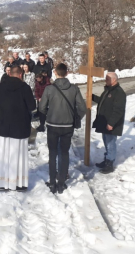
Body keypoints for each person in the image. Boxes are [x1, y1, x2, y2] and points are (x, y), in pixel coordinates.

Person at [39, 63, 87, 194]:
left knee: (53, 153)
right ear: (67, 73)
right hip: (67, 126)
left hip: (52, 125)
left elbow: (42, 108)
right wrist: (75, 118)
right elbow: (82, 108)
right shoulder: (74, 89)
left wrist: (43, 121)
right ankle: (61, 183)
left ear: (55, 73)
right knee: (64, 153)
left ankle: (52, 182)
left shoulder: (49, 89)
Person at [0, 65, 36, 192]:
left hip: (6, 124)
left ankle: (3, 181)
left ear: (10, 73)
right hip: (20, 125)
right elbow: (32, 106)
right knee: (19, 155)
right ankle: (19, 183)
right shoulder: (25, 87)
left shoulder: (1, 86)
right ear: (20, 74)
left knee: (5, 153)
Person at [93, 72, 127, 174]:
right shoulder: (109, 90)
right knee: (106, 142)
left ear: (114, 80)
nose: (105, 80)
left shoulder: (119, 93)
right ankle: (106, 160)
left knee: (110, 143)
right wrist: (93, 97)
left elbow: (118, 110)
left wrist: (111, 123)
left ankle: (110, 164)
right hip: (105, 122)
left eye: (107, 79)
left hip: (112, 124)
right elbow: (103, 102)